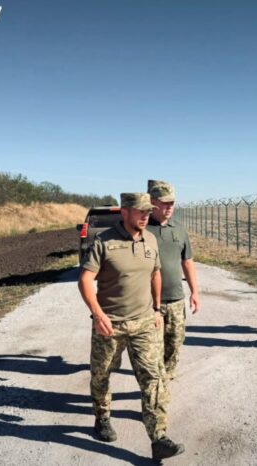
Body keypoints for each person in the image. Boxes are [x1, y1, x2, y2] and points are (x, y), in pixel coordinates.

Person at [78, 192, 184, 462]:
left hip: (144, 323)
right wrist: (98, 314)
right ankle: (102, 417)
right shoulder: (104, 242)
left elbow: (156, 273)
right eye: (140, 211)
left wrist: (157, 309)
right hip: (110, 324)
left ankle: (158, 438)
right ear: (124, 212)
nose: (146, 216)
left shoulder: (150, 239)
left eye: (148, 211)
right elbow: (85, 280)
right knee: (101, 375)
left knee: (154, 378)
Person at [146, 179, 200, 381]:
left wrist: (194, 292)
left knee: (175, 342)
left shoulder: (178, 228)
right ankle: (156, 383)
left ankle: (166, 376)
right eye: (165, 203)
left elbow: (187, 262)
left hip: (176, 300)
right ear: (153, 203)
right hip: (149, 302)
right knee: (151, 347)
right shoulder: (142, 229)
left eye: (172, 203)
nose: (169, 207)